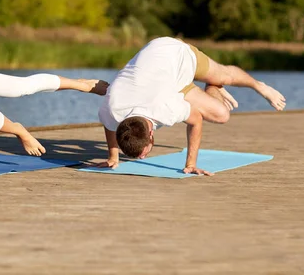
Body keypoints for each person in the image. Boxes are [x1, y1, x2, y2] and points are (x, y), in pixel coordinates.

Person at [97, 37, 286, 175]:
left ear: (151, 135)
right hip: (164, 78)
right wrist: (114, 157)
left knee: (224, 75)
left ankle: (256, 85)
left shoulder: (166, 109)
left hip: (175, 54)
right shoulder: (114, 108)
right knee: (222, 115)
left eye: (143, 153)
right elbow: (109, 123)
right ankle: (213, 87)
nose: (142, 158)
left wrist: (191, 163)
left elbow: (196, 120)